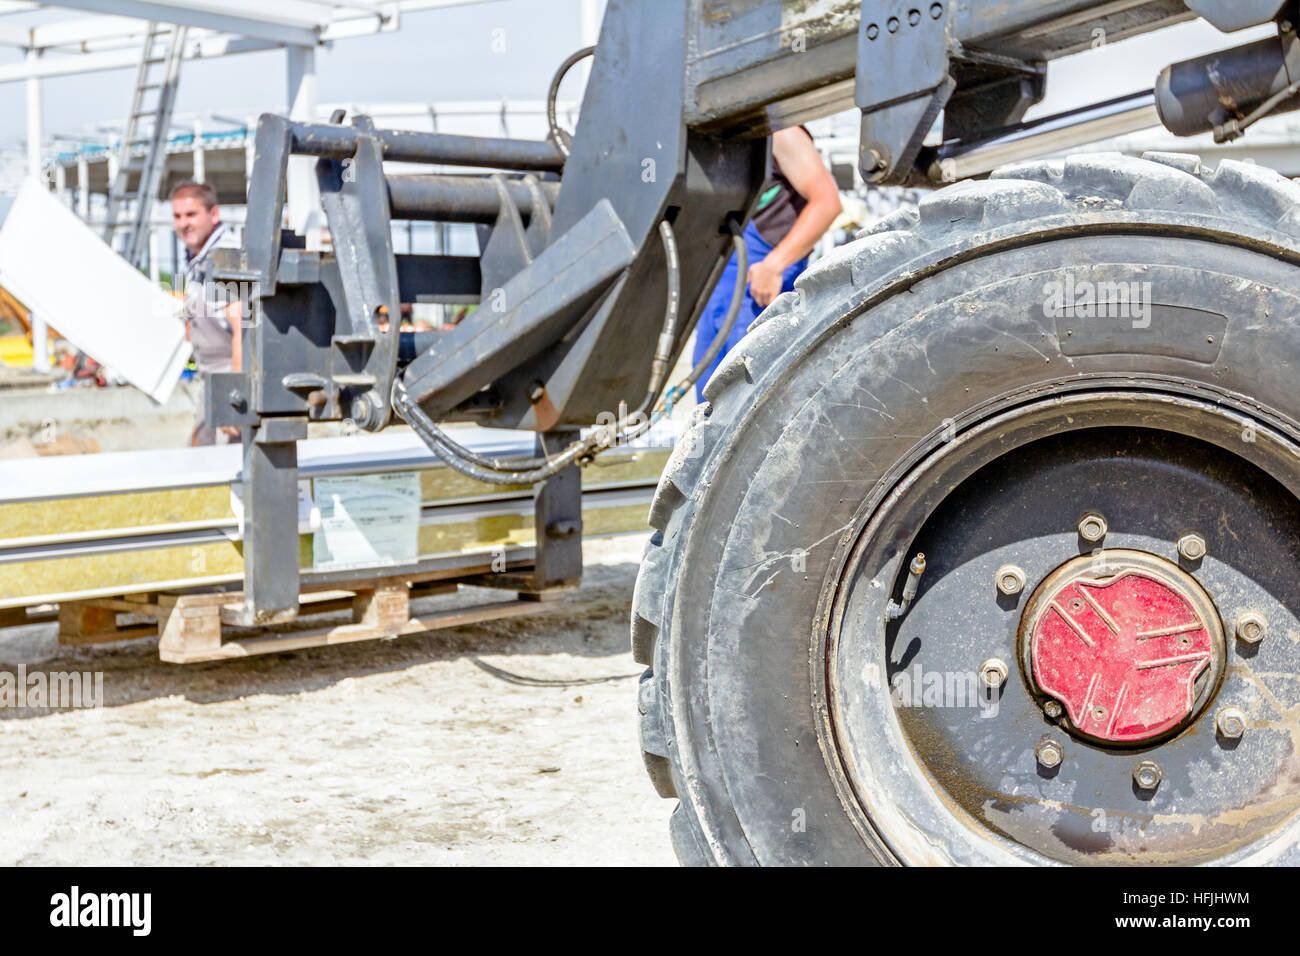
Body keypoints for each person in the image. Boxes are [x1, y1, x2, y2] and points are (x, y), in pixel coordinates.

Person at [693, 126, 842, 395]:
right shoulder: (721, 134)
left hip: (759, 294)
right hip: (717, 298)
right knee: (710, 402)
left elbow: (827, 201)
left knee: (754, 397)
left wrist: (775, 264)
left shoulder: (782, 130)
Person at [171, 181, 242, 445]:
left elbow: (244, 331)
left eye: (191, 214)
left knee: (232, 471)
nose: (183, 224)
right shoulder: (196, 259)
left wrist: (237, 397)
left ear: (214, 214)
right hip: (210, 380)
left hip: (232, 380)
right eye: (177, 216)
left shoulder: (228, 254)